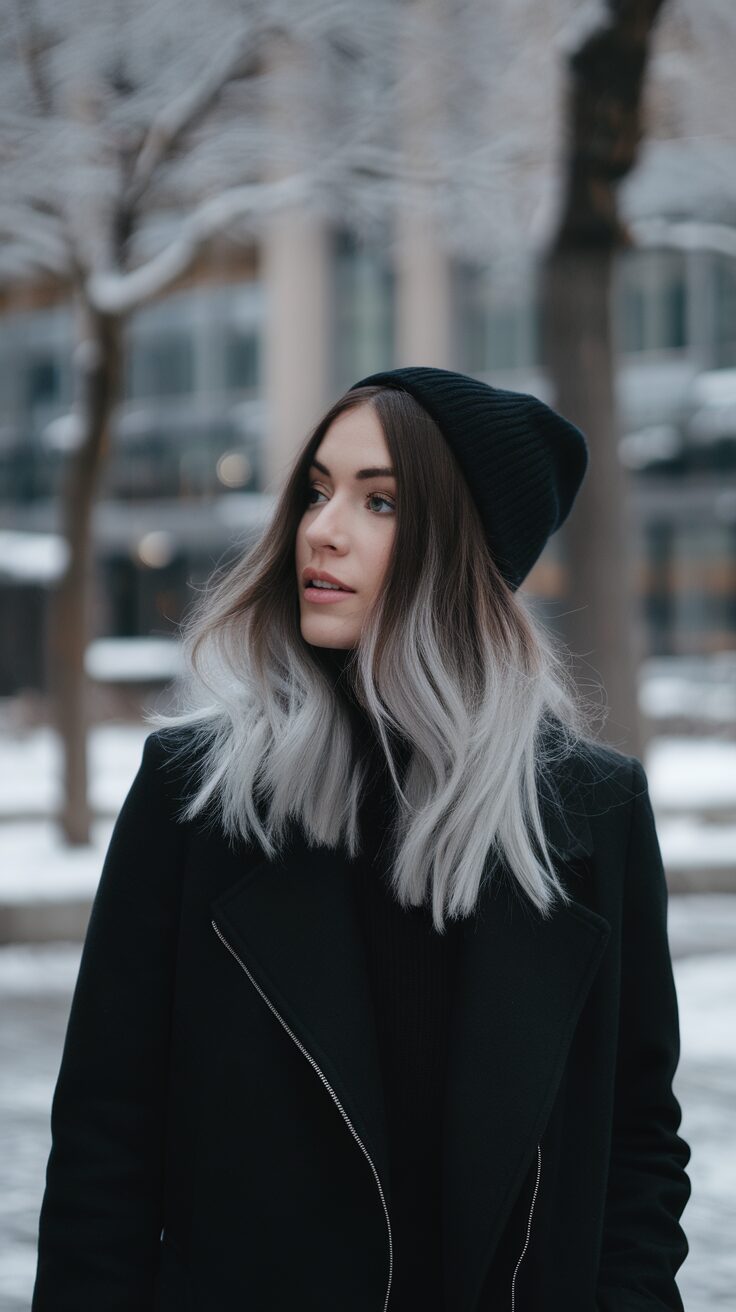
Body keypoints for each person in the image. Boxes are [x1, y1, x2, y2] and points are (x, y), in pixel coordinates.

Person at [32, 366, 690, 1312]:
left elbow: (638, 1143)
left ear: (466, 550)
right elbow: (106, 1144)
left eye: (379, 501)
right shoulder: (198, 796)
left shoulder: (591, 810)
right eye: (317, 489)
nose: (321, 529)